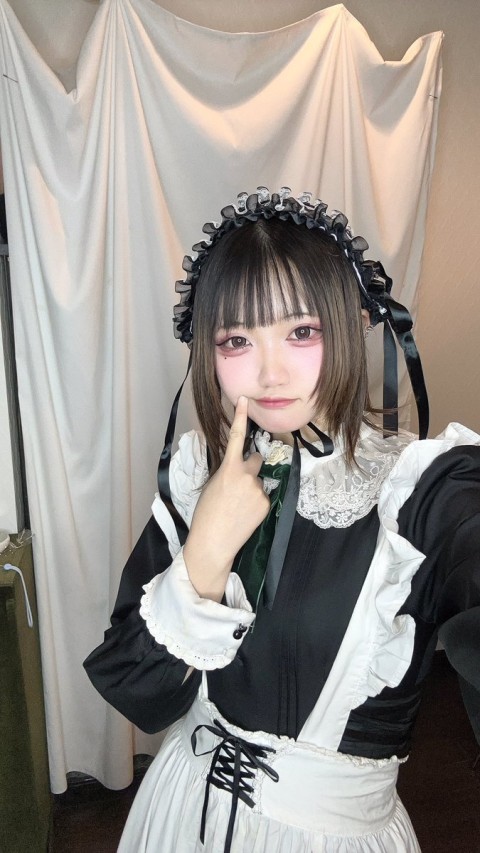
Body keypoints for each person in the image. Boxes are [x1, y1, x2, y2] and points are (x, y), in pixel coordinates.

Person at [84, 188, 480, 853]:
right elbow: (140, 696)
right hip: (181, 809)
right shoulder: (197, 472)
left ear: (353, 322)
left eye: (300, 332)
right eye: (236, 340)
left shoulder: (423, 490)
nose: (268, 372)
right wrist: (206, 552)